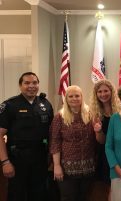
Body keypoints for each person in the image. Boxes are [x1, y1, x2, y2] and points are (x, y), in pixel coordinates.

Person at [0, 72, 53, 201]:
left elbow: (52, 133)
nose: (31, 86)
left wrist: (52, 158)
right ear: (20, 85)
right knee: (17, 194)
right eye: (27, 83)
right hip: (17, 159)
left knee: (39, 193)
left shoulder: (45, 104)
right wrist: (5, 162)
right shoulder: (10, 105)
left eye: (34, 83)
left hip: (40, 158)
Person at [49, 85, 97, 201]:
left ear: (82, 97)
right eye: (71, 96)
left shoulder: (90, 115)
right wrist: (56, 166)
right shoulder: (59, 117)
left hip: (88, 167)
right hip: (67, 169)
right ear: (66, 99)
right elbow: (55, 142)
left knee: (84, 197)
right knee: (68, 198)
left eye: (77, 96)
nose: (74, 98)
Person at [90, 79, 121, 201]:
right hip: (105, 155)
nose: (103, 94)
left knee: (120, 185)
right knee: (109, 186)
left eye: (106, 91)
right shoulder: (96, 114)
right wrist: (98, 131)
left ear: (112, 91)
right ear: (96, 94)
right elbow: (101, 141)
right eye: (100, 92)